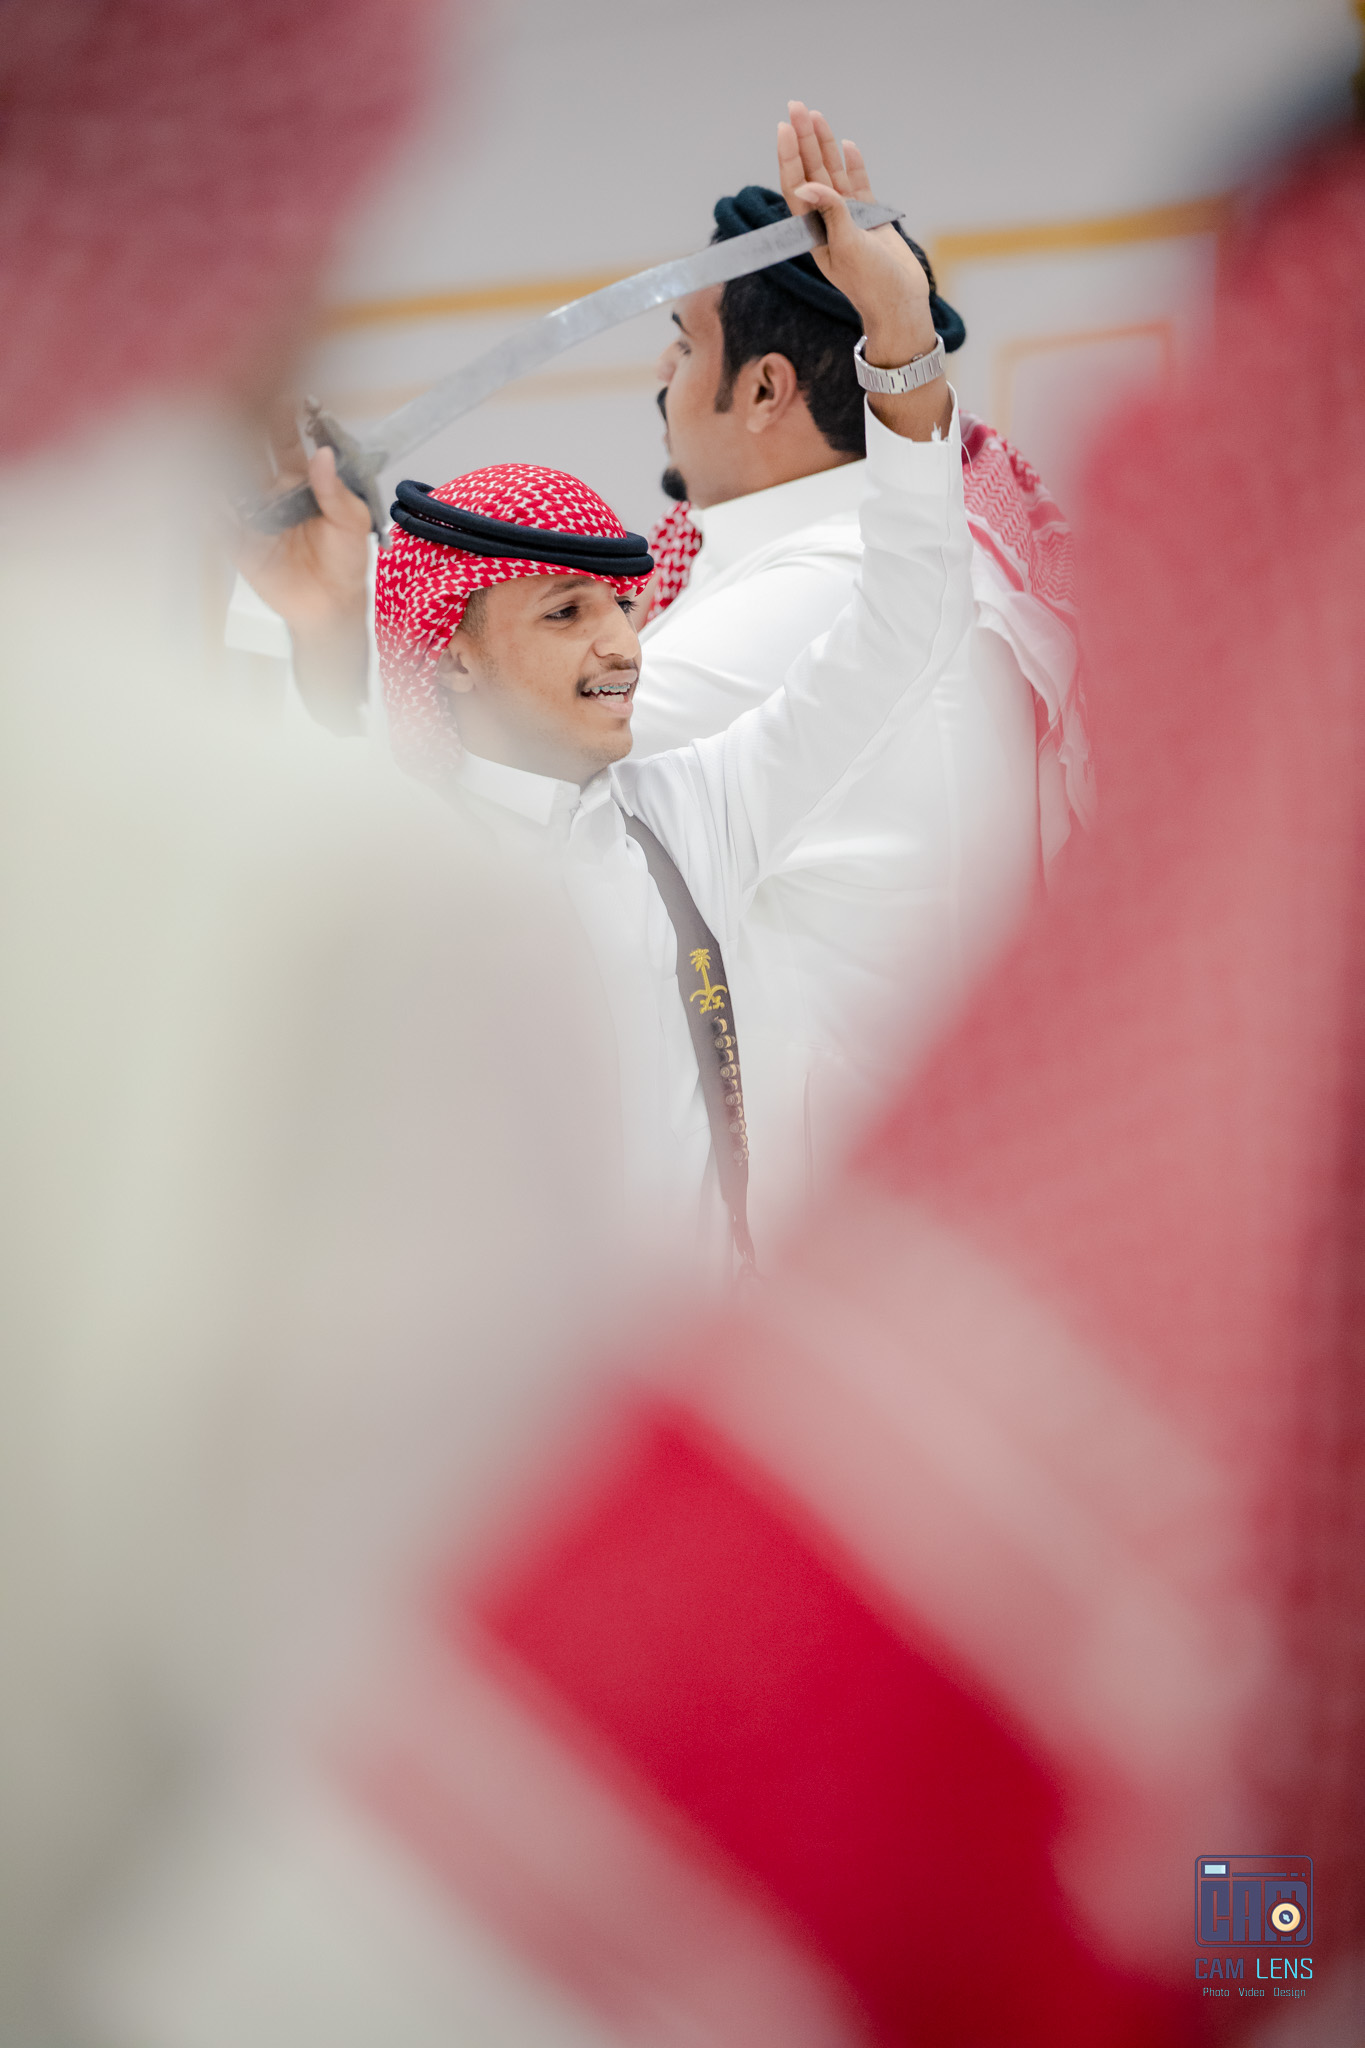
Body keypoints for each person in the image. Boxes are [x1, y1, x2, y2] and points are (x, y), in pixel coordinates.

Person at [256, 119, 975, 1276]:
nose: (622, 645)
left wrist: (897, 333)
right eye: (565, 613)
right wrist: (322, 622)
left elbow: (910, 620)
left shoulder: (690, 816)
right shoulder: (400, 855)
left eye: (624, 607)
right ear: (454, 653)